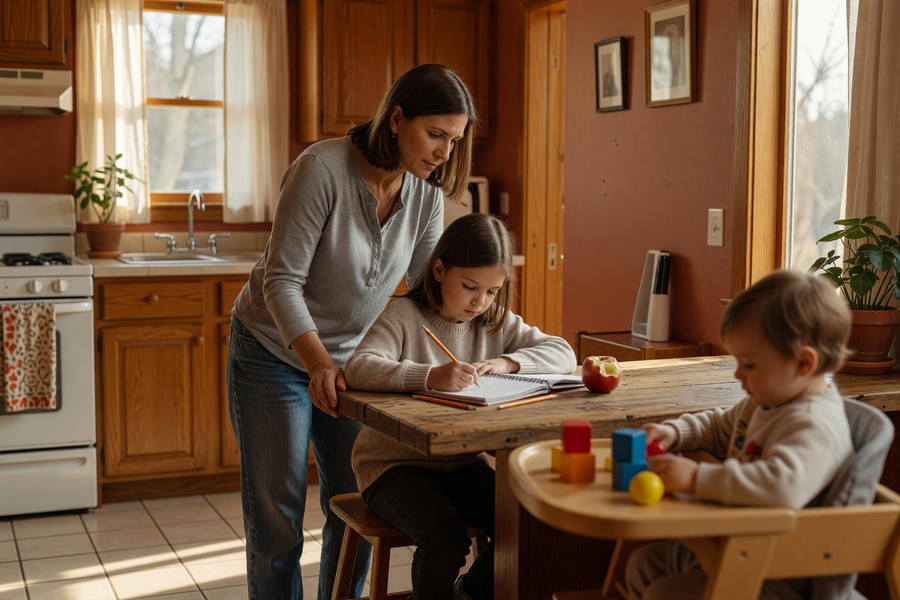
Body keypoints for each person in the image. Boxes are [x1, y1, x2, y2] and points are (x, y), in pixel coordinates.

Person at [227, 64, 478, 600]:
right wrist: (318, 362)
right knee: (278, 521)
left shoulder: (426, 196)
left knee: (356, 505)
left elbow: (423, 294)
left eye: (453, 141)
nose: (444, 153)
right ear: (396, 119)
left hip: (352, 361)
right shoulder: (321, 169)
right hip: (273, 352)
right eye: (435, 134)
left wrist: (487, 329)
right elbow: (282, 281)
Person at [344, 212, 578, 600]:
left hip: (462, 462)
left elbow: (563, 351)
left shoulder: (495, 323)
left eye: (491, 291)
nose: (480, 301)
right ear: (438, 270)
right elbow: (359, 367)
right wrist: (430, 376)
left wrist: (508, 362)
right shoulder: (405, 316)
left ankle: (466, 594)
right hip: (392, 468)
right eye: (470, 286)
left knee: (525, 526)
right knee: (446, 539)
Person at [625, 269, 855, 600]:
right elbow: (719, 426)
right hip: (739, 543)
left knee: (664, 593)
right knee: (643, 565)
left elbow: (781, 487)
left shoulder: (814, 423)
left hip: (779, 570)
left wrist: (697, 479)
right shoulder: (766, 403)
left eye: (748, 364)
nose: (737, 374)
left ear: (803, 364)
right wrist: (674, 432)